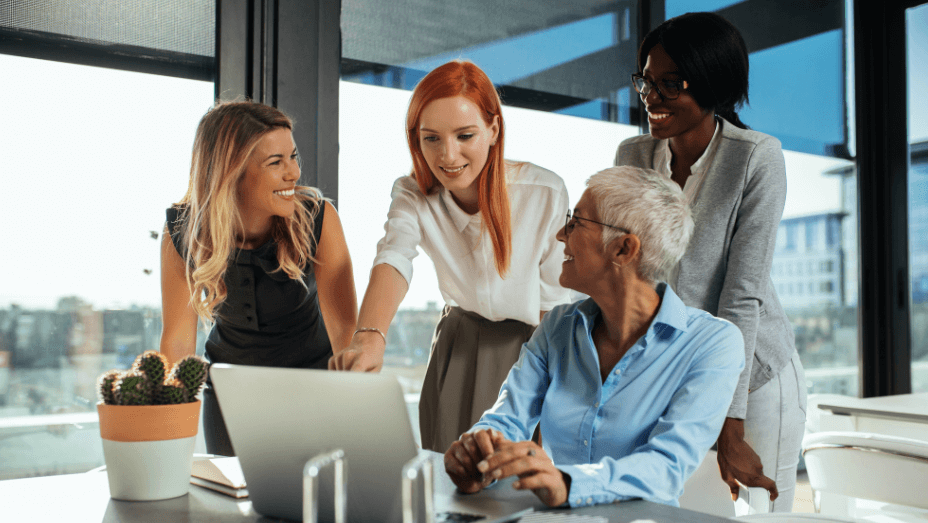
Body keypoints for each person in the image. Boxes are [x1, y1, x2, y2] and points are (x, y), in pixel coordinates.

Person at [443, 166, 744, 508]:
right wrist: (478, 452)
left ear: (623, 249)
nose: (561, 234)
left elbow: (667, 465)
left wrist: (569, 484)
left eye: (576, 222)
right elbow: (507, 417)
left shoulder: (714, 344)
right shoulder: (558, 326)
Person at [615, 12, 807, 512]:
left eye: (670, 84)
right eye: (646, 82)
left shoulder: (756, 158)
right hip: (674, 375)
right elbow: (624, 278)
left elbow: (742, 295)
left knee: (762, 515)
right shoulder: (633, 157)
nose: (651, 98)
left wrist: (730, 424)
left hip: (754, 381)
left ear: (713, 83)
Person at [328, 60, 571, 452]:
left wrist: (555, 390)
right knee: (447, 476)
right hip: (458, 345)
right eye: (432, 139)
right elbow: (394, 256)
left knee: (518, 484)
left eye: (464, 135)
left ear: (493, 130)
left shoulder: (543, 191)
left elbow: (554, 307)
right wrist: (369, 337)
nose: (449, 155)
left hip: (532, 347)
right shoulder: (411, 192)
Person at [160, 101, 358, 456]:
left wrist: (356, 419)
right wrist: (166, 448)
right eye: (276, 162)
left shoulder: (319, 218)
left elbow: (346, 335)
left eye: (293, 157)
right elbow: (176, 344)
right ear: (231, 172)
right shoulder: (182, 229)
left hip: (314, 391)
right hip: (229, 397)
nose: (294, 173)